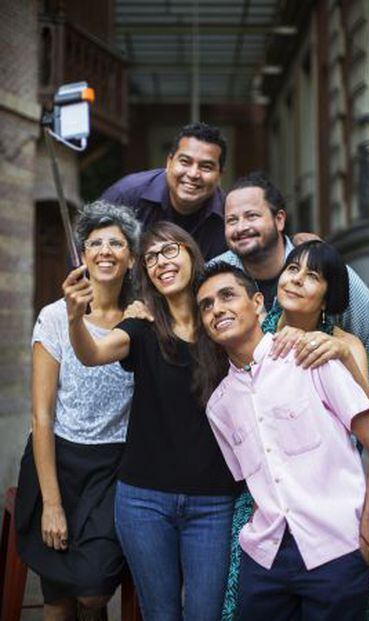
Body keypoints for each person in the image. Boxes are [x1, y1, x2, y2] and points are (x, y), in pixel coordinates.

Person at [195, 250, 369, 621]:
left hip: (335, 548)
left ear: (258, 303)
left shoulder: (312, 357)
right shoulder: (219, 406)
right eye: (206, 305)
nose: (216, 309)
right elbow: (258, 481)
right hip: (266, 555)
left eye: (227, 296)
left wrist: (367, 536)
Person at [62, 221, 240, 621]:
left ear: (193, 254)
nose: (161, 262)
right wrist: (75, 319)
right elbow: (92, 353)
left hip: (213, 501)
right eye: (151, 257)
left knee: (204, 614)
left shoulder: (222, 326)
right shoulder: (140, 327)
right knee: (159, 614)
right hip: (143, 500)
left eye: (170, 250)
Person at [15, 202, 140, 620]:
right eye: (96, 243)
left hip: (114, 467)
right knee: (58, 599)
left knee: (92, 591)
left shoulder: (140, 321)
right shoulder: (54, 317)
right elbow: (42, 416)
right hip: (57, 460)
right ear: (83, 256)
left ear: (131, 259)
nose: (105, 250)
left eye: (116, 243)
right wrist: (51, 503)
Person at [210, 171, 369, 397]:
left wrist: (355, 394)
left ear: (279, 220)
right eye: (232, 220)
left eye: (251, 216)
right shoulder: (216, 275)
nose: (240, 227)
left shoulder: (328, 268)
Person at [102, 122, 227, 261]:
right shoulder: (126, 195)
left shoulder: (228, 216)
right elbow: (87, 246)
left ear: (220, 176)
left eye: (206, 167)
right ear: (169, 162)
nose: (193, 174)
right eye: (185, 162)